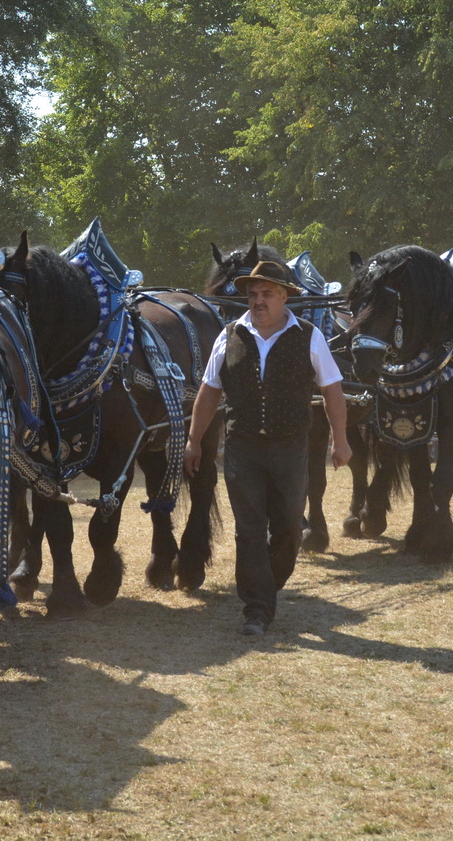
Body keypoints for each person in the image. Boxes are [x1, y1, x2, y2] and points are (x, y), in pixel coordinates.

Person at [182, 259, 349, 637]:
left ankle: (266, 586)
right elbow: (209, 392)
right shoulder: (229, 335)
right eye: (253, 294)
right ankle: (257, 608)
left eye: (267, 294)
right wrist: (194, 440)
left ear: (285, 296)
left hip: (290, 449)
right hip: (242, 450)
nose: (258, 301)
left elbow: (332, 390)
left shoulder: (309, 336)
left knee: (289, 528)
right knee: (250, 530)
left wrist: (340, 439)